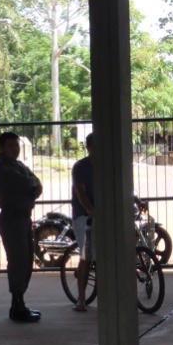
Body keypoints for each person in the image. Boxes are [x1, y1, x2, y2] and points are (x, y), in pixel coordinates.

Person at [0, 131, 43, 323]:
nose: (15, 149)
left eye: (17, 146)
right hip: (12, 219)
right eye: (11, 146)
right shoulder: (2, 168)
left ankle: (18, 305)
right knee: (18, 262)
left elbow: (37, 184)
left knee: (26, 261)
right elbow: (26, 184)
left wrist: (32, 186)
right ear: (2, 148)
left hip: (23, 219)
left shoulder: (19, 166)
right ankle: (17, 306)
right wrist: (31, 186)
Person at [71, 133, 95, 312]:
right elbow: (80, 192)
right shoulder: (80, 167)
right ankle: (81, 298)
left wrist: (137, 201)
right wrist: (90, 209)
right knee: (86, 256)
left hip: (103, 215)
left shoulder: (108, 165)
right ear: (88, 146)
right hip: (83, 216)